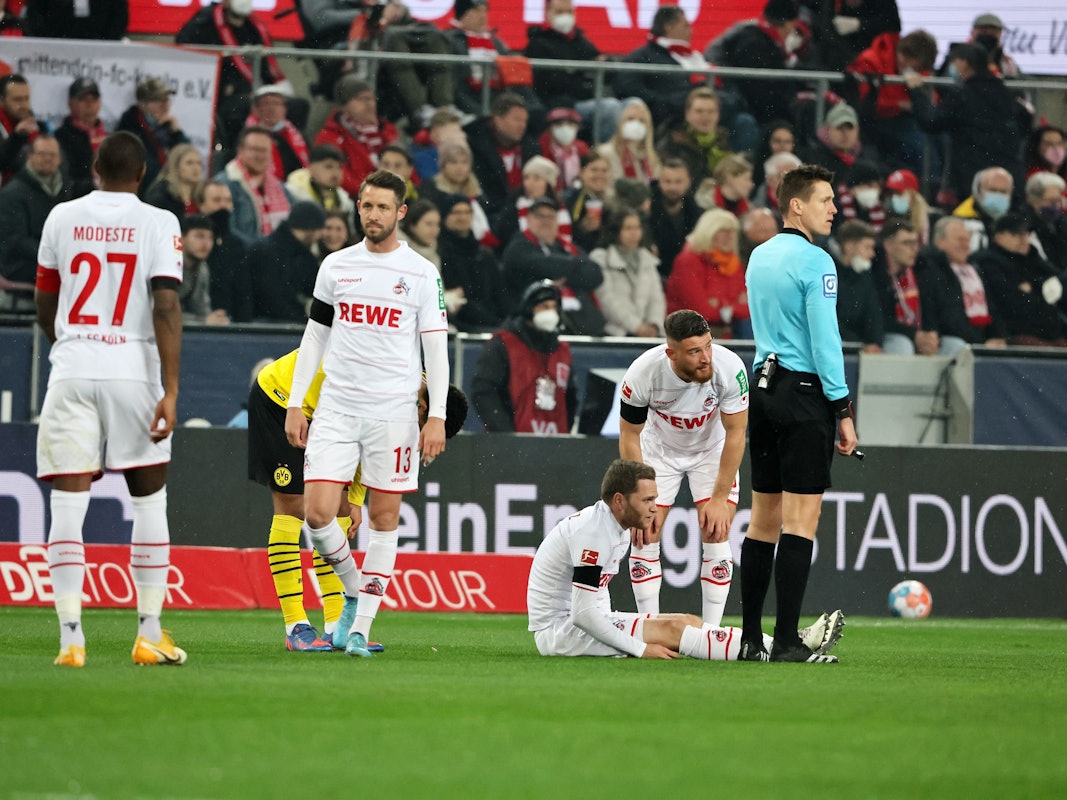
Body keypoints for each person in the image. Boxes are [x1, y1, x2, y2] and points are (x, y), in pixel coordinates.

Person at [35, 131, 186, 668]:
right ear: (142, 174)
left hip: (73, 367)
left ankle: (70, 639)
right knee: (149, 502)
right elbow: (165, 306)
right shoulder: (159, 222)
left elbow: (45, 301)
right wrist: (169, 390)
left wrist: (74, 348)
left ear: (95, 166)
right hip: (133, 369)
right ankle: (148, 632)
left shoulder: (61, 217)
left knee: (67, 505)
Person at [283, 169, 449, 658]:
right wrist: (297, 402)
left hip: (393, 411)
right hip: (336, 405)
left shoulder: (422, 273)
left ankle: (359, 629)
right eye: (365, 205)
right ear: (357, 207)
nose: (372, 214)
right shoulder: (335, 266)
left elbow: (436, 350)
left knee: (383, 517)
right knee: (316, 514)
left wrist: (435, 415)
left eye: (382, 207)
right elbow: (315, 337)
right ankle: (355, 590)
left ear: (401, 212)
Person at [251, 346, 467, 651]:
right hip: (282, 400)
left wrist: (354, 497)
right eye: (419, 427)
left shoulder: (405, 393)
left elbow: (368, 435)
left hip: (331, 416)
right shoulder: (387, 383)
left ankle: (336, 622)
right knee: (295, 507)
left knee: (337, 512)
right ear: (422, 407)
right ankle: (295, 624)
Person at [526, 458, 842, 659]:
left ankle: (778, 642)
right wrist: (638, 647)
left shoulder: (616, 527)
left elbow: (594, 599)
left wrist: (621, 630)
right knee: (675, 630)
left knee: (688, 622)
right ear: (620, 501)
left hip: (577, 624)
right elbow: (582, 613)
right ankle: (770, 651)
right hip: (560, 633)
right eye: (647, 500)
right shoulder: (595, 532)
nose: (655, 507)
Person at [740, 163, 857, 664]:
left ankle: (750, 639)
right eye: (825, 200)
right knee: (800, 521)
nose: (834, 208)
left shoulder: (759, 256)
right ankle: (786, 639)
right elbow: (824, 340)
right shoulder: (817, 262)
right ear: (796, 205)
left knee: (762, 519)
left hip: (763, 390)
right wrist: (843, 408)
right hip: (804, 392)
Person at [618, 309, 749, 628]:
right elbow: (629, 435)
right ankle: (648, 627)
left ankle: (712, 633)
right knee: (645, 534)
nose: (706, 357)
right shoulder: (642, 373)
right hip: (658, 452)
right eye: (694, 351)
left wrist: (719, 498)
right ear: (671, 353)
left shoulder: (730, 368)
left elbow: (735, 433)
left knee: (717, 532)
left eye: (708, 346)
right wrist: (640, 497)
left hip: (711, 450)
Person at [904, 42, 1028, 207]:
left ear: (963, 63)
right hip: (1009, 177)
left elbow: (931, 121)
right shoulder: (1005, 93)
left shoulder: (963, 95)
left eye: (953, 63)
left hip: (972, 177)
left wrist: (917, 91)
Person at [176, 0, 295, 148]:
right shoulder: (206, 21)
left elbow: (267, 66)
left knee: (296, 106)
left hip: (258, 90)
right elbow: (183, 48)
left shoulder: (255, 26)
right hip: (224, 95)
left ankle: (284, 152)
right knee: (244, 107)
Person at [470, 279, 576, 435]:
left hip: (555, 446)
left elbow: (571, 399)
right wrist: (506, 435)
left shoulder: (562, 352)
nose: (551, 313)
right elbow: (483, 391)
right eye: (544, 307)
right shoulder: (502, 345)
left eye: (554, 307)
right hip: (509, 445)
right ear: (529, 309)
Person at [501, 195, 605, 336]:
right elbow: (534, 264)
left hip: (581, 324)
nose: (546, 221)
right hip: (534, 328)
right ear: (529, 220)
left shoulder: (568, 247)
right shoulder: (519, 245)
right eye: (540, 216)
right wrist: (574, 267)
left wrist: (560, 272)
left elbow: (596, 274)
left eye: (551, 217)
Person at [971, 212, 1067, 347]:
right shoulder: (989, 262)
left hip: (1054, 331)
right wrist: (1042, 291)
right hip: (1019, 332)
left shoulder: (1034, 259)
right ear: (999, 237)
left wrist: (1034, 287)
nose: (1023, 239)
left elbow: (1059, 284)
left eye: (1026, 234)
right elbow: (1012, 301)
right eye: (1016, 234)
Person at [915, 216, 1006, 356]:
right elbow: (945, 316)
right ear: (940, 242)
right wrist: (979, 344)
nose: (966, 245)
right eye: (960, 240)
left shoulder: (974, 270)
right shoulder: (928, 270)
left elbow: (992, 308)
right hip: (947, 342)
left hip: (976, 342)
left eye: (967, 240)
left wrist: (996, 336)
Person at [0, 135, 73, 309]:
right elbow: (16, 241)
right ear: (30, 156)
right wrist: (55, 255)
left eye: (52, 154)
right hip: (20, 265)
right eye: (42, 154)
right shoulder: (12, 192)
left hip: (54, 258)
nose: (48, 159)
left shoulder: (66, 188)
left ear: (60, 159)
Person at [665, 209, 749, 339]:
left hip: (728, 336)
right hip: (689, 337)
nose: (730, 236)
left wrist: (722, 307)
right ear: (708, 232)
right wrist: (731, 307)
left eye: (732, 231)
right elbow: (700, 312)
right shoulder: (688, 261)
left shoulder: (734, 263)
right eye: (723, 231)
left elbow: (749, 309)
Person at [463, 92, 541, 225]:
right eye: (516, 120)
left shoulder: (531, 149)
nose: (522, 126)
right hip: (490, 215)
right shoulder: (474, 147)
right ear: (497, 119)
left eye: (524, 121)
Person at [436, 193, 508, 332]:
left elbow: (499, 294)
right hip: (459, 326)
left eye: (467, 212)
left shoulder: (484, 254)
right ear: (445, 216)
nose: (462, 217)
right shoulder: (440, 252)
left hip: (491, 323)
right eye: (456, 212)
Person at [589, 207, 664, 338]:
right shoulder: (601, 258)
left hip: (648, 334)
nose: (634, 233)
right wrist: (636, 326)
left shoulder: (647, 259)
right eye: (628, 228)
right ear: (616, 231)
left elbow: (656, 298)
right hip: (616, 333)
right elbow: (606, 299)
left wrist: (653, 324)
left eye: (637, 228)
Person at [248, 200, 326, 323]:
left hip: (288, 322)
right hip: (266, 326)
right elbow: (273, 299)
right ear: (311, 229)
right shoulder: (267, 251)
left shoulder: (302, 253)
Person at [216, 125, 294, 243]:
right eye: (254, 150)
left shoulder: (281, 188)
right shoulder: (224, 185)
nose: (260, 156)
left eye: (264, 150)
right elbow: (227, 231)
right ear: (240, 150)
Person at [873, 219, 938, 356]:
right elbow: (878, 319)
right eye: (907, 243)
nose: (914, 249)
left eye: (915, 243)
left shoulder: (922, 271)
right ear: (888, 245)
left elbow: (933, 311)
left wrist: (930, 335)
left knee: (955, 346)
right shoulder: (875, 273)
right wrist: (914, 335)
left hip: (918, 336)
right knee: (902, 345)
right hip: (887, 336)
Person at [116, 78, 191, 191]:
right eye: (158, 100)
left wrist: (177, 133)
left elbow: (188, 155)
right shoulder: (129, 128)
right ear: (142, 104)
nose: (165, 105)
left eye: (167, 99)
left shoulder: (167, 126)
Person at [657, 87, 735, 189]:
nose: (705, 116)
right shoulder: (673, 142)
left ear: (718, 115)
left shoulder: (725, 141)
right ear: (687, 114)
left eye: (711, 111)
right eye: (699, 111)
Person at [832, 220, 883, 352]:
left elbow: (873, 314)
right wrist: (860, 345)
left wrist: (874, 342)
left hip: (857, 344)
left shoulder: (864, 276)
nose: (872, 254)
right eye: (867, 247)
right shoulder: (827, 273)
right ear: (849, 246)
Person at [648, 158, 701, 282]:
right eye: (667, 181)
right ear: (659, 182)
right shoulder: (646, 213)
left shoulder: (698, 215)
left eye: (678, 182)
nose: (672, 187)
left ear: (688, 182)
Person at [54, 77, 108, 198]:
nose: (89, 104)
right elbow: (64, 180)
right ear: (71, 103)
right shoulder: (62, 137)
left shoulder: (109, 136)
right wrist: (93, 184)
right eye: (83, 99)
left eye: (94, 99)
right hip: (78, 200)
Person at [285, 143, 356, 229]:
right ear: (310, 168)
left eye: (339, 167)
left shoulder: (346, 203)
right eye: (328, 166)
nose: (335, 173)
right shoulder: (291, 195)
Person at [246, 83, 309, 180]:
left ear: (284, 109)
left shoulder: (299, 136)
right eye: (266, 104)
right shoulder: (248, 138)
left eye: (276, 103)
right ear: (256, 110)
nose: (272, 109)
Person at [177, 214, 230, 326]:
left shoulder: (202, 268)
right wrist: (203, 321)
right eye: (199, 236)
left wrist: (214, 319)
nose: (206, 243)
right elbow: (161, 312)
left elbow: (201, 308)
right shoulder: (167, 265)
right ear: (181, 238)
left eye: (210, 238)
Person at [952, 167, 1016, 253]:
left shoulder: (1017, 221)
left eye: (1003, 191)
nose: (998, 195)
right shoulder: (961, 220)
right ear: (978, 190)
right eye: (992, 190)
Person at [143, 143, 204, 224]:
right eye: (189, 163)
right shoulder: (161, 194)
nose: (196, 168)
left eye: (199, 163)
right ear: (176, 166)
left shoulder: (202, 194)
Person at [0, 73, 42, 185]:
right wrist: (18, 137)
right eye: (17, 100)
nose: (24, 105)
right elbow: (4, 163)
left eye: (26, 99)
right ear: (2, 100)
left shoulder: (38, 127)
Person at [1022, 172, 1067, 271]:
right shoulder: (1023, 224)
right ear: (1033, 199)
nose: (1055, 206)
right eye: (1051, 201)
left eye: (1058, 201)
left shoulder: (1060, 222)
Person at [25, 0, 127, 39]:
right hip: (54, 46)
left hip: (99, 46)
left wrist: (105, 43)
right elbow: (34, 14)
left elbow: (119, 17)